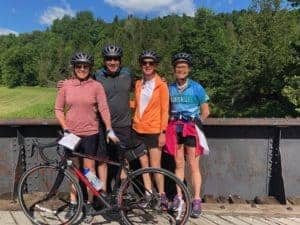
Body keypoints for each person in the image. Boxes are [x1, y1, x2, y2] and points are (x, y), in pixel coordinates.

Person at [54, 52, 119, 221]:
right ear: (74, 68)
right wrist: (65, 128)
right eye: (78, 66)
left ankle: (89, 204)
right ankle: (74, 202)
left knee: (89, 172)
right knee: (74, 170)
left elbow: (104, 109)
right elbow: (58, 109)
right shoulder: (66, 85)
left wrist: (110, 128)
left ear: (90, 68)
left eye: (85, 66)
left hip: (91, 134)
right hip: (71, 134)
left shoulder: (96, 86)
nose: (82, 69)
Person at [165, 52, 210, 218]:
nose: (181, 70)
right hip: (175, 128)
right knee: (178, 164)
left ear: (188, 69)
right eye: (178, 67)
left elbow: (206, 111)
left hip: (191, 129)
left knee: (193, 166)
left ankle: (196, 199)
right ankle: (178, 196)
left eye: (184, 67)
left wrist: (197, 124)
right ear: (174, 69)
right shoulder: (169, 88)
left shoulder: (196, 87)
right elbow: (167, 109)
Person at [93, 44, 137, 193]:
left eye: (115, 59)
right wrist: (64, 84)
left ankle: (121, 194)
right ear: (104, 60)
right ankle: (103, 192)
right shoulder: (97, 75)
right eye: (109, 59)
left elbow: (146, 83)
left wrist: (161, 78)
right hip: (103, 126)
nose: (112, 62)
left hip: (123, 126)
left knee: (123, 160)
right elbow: (81, 83)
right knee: (102, 160)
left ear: (120, 60)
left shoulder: (128, 74)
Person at [130, 50, 169, 209]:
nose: (147, 65)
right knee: (143, 165)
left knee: (155, 165)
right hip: (138, 129)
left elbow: (165, 110)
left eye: (150, 63)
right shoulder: (139, 84)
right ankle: (147, 194)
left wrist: (163, 132)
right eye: (144, 63)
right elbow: (138, 105)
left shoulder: (162, 85)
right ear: (141, 65)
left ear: (156, 65)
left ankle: (162, 196)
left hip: (154, 130)